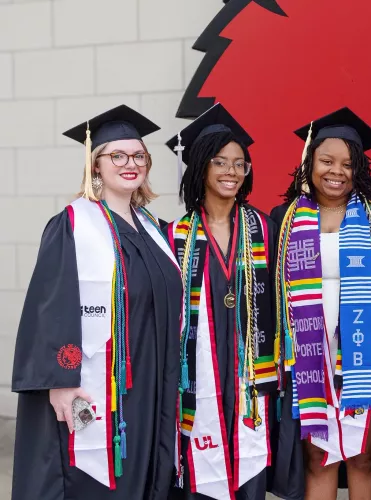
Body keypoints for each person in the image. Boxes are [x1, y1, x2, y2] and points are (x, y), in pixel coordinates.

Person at [11, 105, 183, 499]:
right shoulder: (73, 225)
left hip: (150, 385)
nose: (130, 164)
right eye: (117, 156)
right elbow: (50, 308)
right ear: (95, 165)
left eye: (139, 156)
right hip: (98, 384)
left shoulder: (155, 230)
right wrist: (60, 380)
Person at [270, 108, 371, 500]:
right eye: (326, 161)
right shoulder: (284, 218)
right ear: (310, 163)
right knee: (319, 458)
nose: (335, 171)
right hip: (309, 356)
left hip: (363, 355)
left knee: (363, 459)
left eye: (347, 164)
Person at [164, 103, 278, 500]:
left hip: (251, 375)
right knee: (202, 472)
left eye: (240, 163)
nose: (231, 171)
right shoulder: (175, 236)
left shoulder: (264, 228)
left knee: (249, 467)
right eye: (220, 162)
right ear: (200, 166)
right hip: (199, 374)